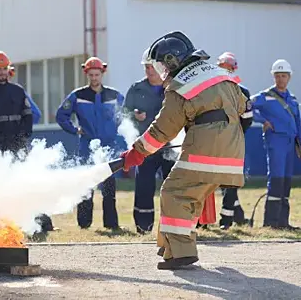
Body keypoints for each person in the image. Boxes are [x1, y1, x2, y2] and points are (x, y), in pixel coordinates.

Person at [120, 31, 247, 270]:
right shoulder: (221, 74)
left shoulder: (179, 86)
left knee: (173, 191)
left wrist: (137, 153)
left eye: (160, 65)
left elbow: (162, 130)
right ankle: (171, 245)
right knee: (192, 194)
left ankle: (180, 252)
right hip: (234, 149)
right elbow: (244, 105)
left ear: (171, 61)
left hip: (206, 149)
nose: (160, 71)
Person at [0, 51, 55, 232]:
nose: (2, 72)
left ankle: (40, 223)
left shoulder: (18, 91)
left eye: (4, 68)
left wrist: (23, 137)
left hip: (17, 144)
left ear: (8, 69)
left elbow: (28, 115)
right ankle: (1, 223)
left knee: (27, 183)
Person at [56, 57, 126, 230]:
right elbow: (61, 116)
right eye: (91, 75)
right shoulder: (77, 96)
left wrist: (118, 130)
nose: (94, 78)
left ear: (103, 73)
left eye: (97, 74)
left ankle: (111, 224)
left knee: (109, 187)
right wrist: (75, 130)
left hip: (108, 147)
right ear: (86, 74)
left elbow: (126, 114)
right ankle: (84, 224)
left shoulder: (114, 95)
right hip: (87, 146)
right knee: (86, 186)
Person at [125, 48, 175, 234]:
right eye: (146, 67)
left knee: (171, 188)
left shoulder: (172, 87)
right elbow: (124, 114)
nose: (148, 70)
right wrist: (133, 116)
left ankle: (172, 227)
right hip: (145, 147)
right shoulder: (136, 89)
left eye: (151, 66)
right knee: (144, 187)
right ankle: (143, 228)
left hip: (171, 146)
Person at [250, 59, 301, 230]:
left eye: (284, 76)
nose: (281, 79)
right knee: (277, 178)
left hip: (289, 144)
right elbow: (247, 105)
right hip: (275, 142)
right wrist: (262, 120)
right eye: (278, 76)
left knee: (286, 180)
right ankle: (271, 222)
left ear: (289, 77)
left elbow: (298, 123)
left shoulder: (293, 100)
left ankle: (283, 222)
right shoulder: (266, 96)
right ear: (273, 77)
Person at [216, 52, 253, 229]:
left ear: (233, 69)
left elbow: (247, 119)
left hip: (233, 143)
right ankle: (237, 216)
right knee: (215, 179)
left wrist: (235, 134)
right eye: (222, 68)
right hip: (214, 142)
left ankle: (226, 220)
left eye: (228, 68)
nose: (224, 71)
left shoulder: (242, 91)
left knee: (231, 181)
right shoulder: (212, 89)